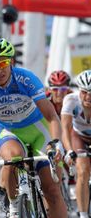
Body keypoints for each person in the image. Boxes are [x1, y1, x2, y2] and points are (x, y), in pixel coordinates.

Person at [0, 37, 67, 218]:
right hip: (10, 131)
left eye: (2, 63)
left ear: (12, 62)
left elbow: (51, 116)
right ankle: (15, 205)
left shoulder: (26, 78)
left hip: (38, 129)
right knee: (12, 158)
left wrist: (57, 143)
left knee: (53, 191)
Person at [61, 70, 91, 218]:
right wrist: (69, 151)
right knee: (83, 171)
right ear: (79, 90)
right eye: (85, 92)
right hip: (78, 136)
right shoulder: (71, 100)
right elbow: (65, 129)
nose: (88, 97)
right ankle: (83, 214)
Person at [47, 70, 76, 200]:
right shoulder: (45, 100)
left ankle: (71, 178)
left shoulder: (72, 99)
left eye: (63, 89)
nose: (59, 93)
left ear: (68, 89)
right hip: (50, 132)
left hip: (68, 131)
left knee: (68, 145)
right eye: (55, 89)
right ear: (49, 89)